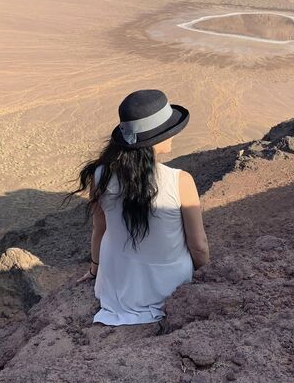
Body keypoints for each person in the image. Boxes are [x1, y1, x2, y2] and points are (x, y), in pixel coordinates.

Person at [70, 89, 209, 325]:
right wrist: (206, 275)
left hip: (116, 284)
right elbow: (199, 246)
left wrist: (95, 270)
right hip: (168, 286)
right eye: (169, 129)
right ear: (155, 139)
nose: (174, 134)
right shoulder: (180, 180)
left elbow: (99, 228)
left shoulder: (100, 175)